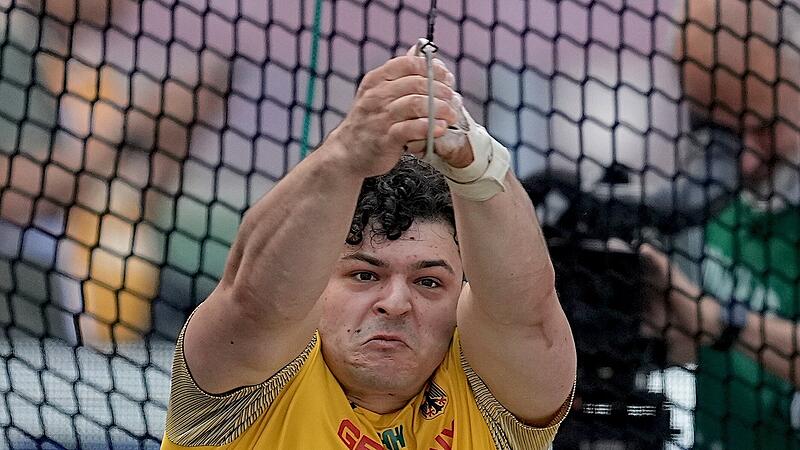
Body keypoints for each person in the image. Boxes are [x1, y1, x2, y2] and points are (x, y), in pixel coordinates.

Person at [161, 46, 576, 449]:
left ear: (462, 296)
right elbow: (254, 304)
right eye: (365, 275)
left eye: (429, 282)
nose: (395, 303)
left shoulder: (490, 399)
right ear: (315, 286)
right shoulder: (244, 394)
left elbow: (526, 315)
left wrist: (474, 159)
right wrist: (345, 154)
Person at [641, 1, 800, 449]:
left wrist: (723, 322)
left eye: (764, 128)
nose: (744, 159)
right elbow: (693, 346)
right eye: (717, 129)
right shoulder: (712, 193)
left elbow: (713, 324)